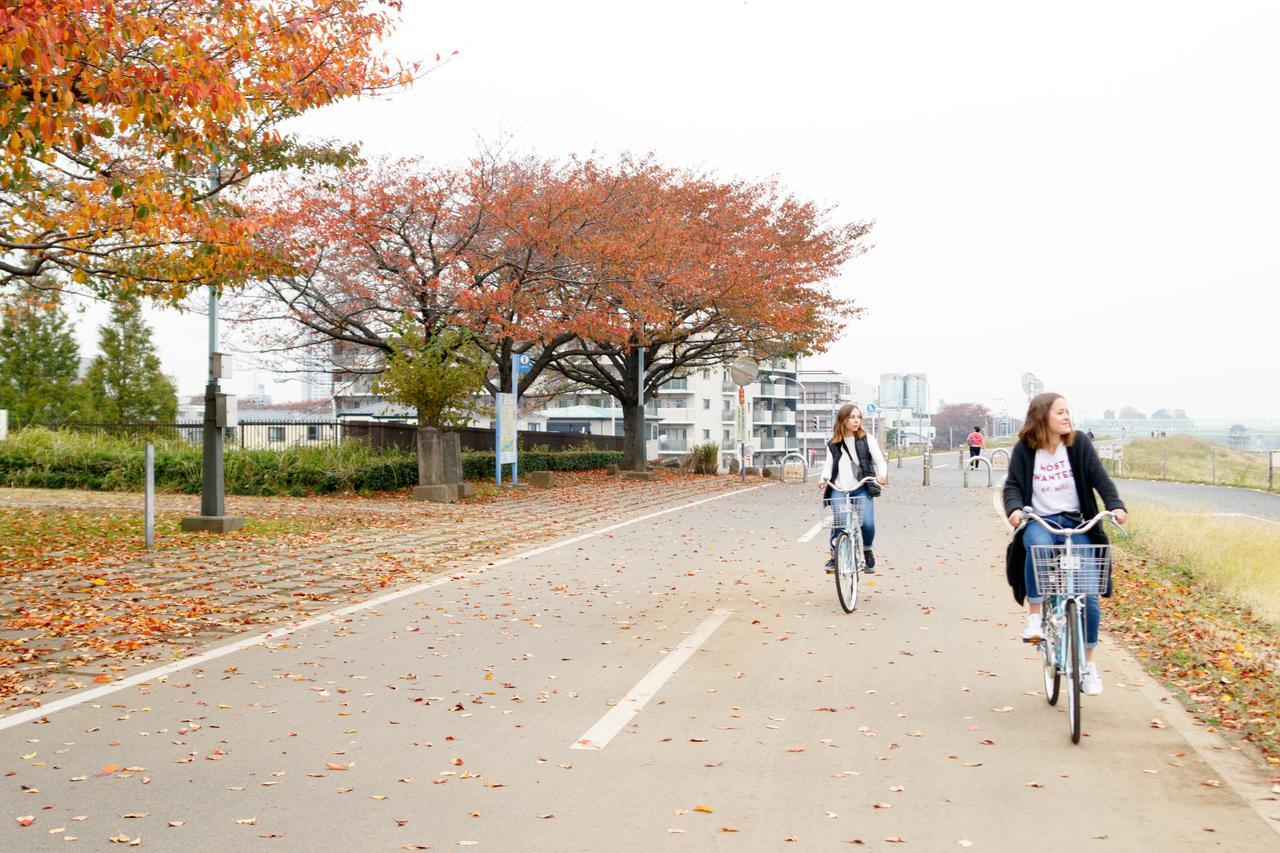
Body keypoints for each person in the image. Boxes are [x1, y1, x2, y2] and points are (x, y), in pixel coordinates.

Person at [1003, 393, 1127, 696]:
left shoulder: (1079, 443)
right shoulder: (1026, 449)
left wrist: (1115, 505)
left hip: (1076, 521)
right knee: (1038, 549)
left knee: (1090, 594)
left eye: (1067, 411)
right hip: (1040, 521)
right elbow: (1013, 486)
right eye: (1060, 412)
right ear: (1043, 416)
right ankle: (1035, 618)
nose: (1067, 416)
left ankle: (1088, 666)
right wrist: (1014, 509)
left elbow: (1101, 478)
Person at [818, 404, 888, 573]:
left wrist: (882, 475)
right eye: (852, 417)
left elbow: (880, 461)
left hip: (861, 487)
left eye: (858, 417)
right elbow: (828, 467)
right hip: (839, 488)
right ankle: (834, 557)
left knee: (868, 523)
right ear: (843, 420)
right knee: (839, 520)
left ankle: (867, 550)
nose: (856, 420)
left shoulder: (867, 439)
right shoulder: (833, 444)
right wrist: (823, 479)